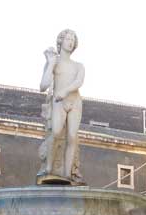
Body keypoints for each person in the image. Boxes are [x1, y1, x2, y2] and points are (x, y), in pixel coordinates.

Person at [38, 29, 85, 183]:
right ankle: (49, 168)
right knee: (56, 132)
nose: (70, 42)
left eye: (73, 39)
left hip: (74, 102)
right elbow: (43, 85)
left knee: (72, 137)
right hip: (58, 102)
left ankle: (67, 174)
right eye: (68, 38)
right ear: (60, 41)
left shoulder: (79, 65)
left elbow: (78, 82)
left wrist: (65, 91)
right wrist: (51, 63)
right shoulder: (54, 61)